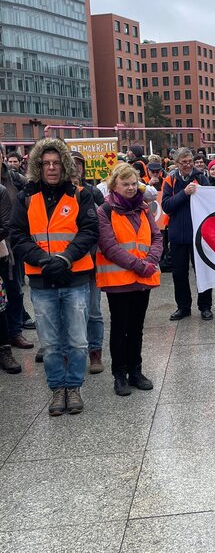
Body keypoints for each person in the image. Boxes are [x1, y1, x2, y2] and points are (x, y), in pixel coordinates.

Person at [10, 138, 98, 416]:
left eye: (56, 163)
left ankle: (74, 387)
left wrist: (65, 258)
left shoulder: (80, 195)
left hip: (74, 279)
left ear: (65, 165)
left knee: (77, 340)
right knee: (49, 344)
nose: (51, 168)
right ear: (38, 165)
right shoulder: (26, 197)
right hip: (42, 279)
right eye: (46, 163)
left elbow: (89, 230)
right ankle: (57, 390)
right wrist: (42, 260)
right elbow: (17, 235)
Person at [96, 163, 162, 396]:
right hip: (119, 281)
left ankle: (136, 370)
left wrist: (151, 261)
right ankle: (119, 374)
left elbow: (156, 237)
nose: (131, 187)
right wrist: (141, 266)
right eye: (125, 184)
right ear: (114, 185)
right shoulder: (105, 211)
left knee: (137, 327)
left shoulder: (143, 208)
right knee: (120, 327)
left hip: (142, 279)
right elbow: (109, 246)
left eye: (134, 183)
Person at [162, 147, 213, 321]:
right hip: (178, 234)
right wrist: (184, 194)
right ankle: (183, 306)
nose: (188, 165)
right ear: (176, 164)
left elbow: (211, 203)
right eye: (184, 162)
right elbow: (166, 206)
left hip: (199, 234)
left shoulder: (201, 178)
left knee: (203, 271)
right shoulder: (170, 180)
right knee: (179, 273)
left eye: (190, 161)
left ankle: (205, 306)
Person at [71, 151, 106, 374]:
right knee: (73, 312)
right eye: (71, 165)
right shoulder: (55, 195)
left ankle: (95, 352)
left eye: (78, 165)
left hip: (91, 262)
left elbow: (101, 228)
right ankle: (75, 352)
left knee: (93, 311)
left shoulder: (93, 193)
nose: (75, 170)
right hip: (67, 265)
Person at [0, 145, 33, 349]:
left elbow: (30, 195)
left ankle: (15, 332)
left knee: (15, 289)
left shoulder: (13, 178)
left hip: (12, 245)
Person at [0, 183, 21, 373]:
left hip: (1, 257)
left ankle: (5, 350)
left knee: (0, 307)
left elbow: (6, 225)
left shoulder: (1, 190)